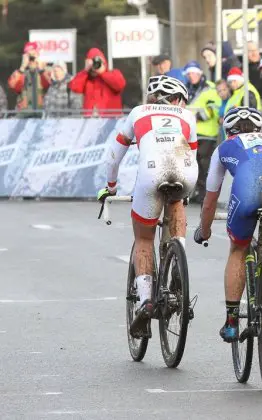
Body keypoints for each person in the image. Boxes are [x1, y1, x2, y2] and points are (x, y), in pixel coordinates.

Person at [98, 76, 197, 338]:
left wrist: (110, 188)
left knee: (144, 238)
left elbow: (113, 156)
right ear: (178, 99)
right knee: (177, 199)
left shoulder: (138, 112)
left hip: (151, 172)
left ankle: (145, 302)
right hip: (185, 171)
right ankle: (179, 261)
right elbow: (193, 155)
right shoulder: (187, 116)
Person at [193, 107, 262, 341]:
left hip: (247, 194)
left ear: (227, 129)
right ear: (258, 128)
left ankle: (231, 321)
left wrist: (205, 230)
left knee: (238, 249)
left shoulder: (224, 147)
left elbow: (210, 200)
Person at [184, 61, 220, 203]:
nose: (191, 76)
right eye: (189, 74)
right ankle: (199, 192)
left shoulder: (209, 87)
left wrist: (196, 117)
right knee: (195, 163)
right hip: (190, 132)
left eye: (193, 73)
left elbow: (213, 107)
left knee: (205, 164)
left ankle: (206, 194)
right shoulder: (187, 88)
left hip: (207, 133)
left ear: (199, 73)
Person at [69, 48, 125, 117]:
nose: (95, 66)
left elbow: (120, 85)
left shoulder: (113, 73)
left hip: (111, 120)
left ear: (104, 63)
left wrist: (103, 72)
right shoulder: (86, 79)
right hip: (90, 120)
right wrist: (85, 71)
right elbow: (74, 87)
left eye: (98, 63)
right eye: (93, 63)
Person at [7, 41, 49, 112]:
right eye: (28, 55)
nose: (31, 58)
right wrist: (22, 68)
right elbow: (13, 86)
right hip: (24, 112)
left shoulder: (47, 70)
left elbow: (49, 84)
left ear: (38, 54)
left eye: (33, 54)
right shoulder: (20, 72)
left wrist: (41, 69)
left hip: (41, 111)